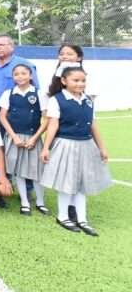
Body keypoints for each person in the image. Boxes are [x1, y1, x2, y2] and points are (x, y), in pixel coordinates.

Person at [41, 67, 111, 236]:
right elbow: (53, 125)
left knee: (82, 184)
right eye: (76, 80)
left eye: (83, 80)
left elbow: (93, 125)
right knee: (66, 183)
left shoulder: (88, 100)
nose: (80, 84)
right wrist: (45, 147)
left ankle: (82, 219)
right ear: (64, 81)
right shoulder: (56, 100)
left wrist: (102, 147)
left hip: (86, 145)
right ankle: (63, 216)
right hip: (66, 145)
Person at [0, 64, 49, 216]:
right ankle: (24, 202)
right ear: (13, 77)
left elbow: (46, 119)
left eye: (24, 73)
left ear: (31, 76)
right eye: (16, 74)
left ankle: (40, 202)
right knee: (18, 171)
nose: (20, 77)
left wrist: (34, 138)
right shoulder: (8, 93)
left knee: (37, 171)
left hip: (33, 137)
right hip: (15, 137)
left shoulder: (39, 94)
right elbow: (2, 117)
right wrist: (13, 137)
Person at [0, 34, 38, 123]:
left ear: (11, 47)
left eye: (1, 45)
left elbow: (34, 90)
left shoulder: (25, 64)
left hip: (13, 113)